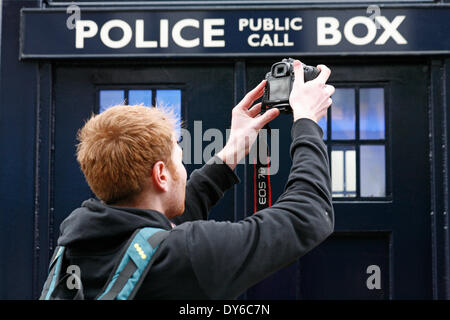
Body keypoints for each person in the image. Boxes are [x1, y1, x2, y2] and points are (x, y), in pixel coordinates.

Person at [50, 60, 335, 299]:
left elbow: (156, 224)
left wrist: (232, 151)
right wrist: (307, 122)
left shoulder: (75, 243)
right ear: (161, 174)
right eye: (179, 159)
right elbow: (308, 215)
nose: (184, 170)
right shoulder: (188, 256)